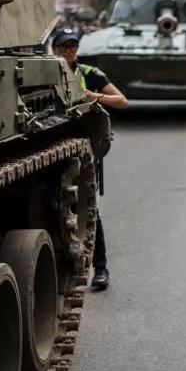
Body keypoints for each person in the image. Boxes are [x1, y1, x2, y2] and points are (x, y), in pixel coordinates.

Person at [54, 31, 129, 290]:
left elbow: (121, 101)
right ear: (54, 48)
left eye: (73, 46)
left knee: (89, 209)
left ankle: (101, 267)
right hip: (52, 150)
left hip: (83, 152)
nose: (69, 51)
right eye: (64, 47)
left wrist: (91, 96)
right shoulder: (46, 72)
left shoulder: (88, 73)